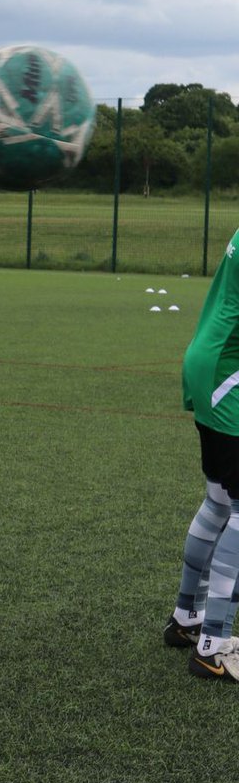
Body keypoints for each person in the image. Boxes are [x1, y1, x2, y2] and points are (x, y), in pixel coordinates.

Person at [166, 225, 239, 680]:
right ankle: (214, 645)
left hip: (210, 364)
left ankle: (187, 619)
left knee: (218, 501)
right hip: (230, 375)